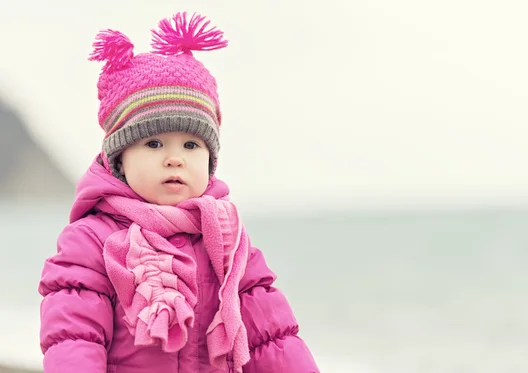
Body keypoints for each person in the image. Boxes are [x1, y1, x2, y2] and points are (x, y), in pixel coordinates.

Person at [38, 11, 320, 373]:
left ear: (210, 159)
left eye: (191, 145)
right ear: (120, 158)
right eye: (153, 143)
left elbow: (273, 339)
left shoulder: (228, 242)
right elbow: (74, 340)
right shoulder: (91, 241)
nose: (174, 159)